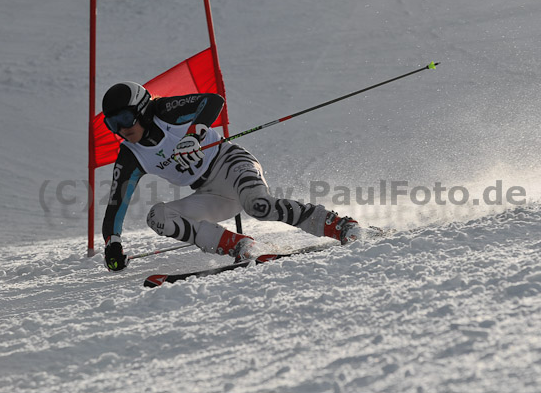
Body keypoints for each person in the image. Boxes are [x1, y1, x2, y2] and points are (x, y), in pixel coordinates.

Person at [101, 81, 366, 272]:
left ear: (143, 109)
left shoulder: (165, 111)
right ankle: (237, 245)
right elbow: (116, 203)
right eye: (112, 124)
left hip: (231, 163)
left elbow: (213, 101)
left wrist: (194, 135)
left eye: (125, 118)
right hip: (209, 194)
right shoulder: (130, 155)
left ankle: (340, 225)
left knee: (259, 206)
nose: (121, 129)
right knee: (157, 217)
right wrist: (113, 244)